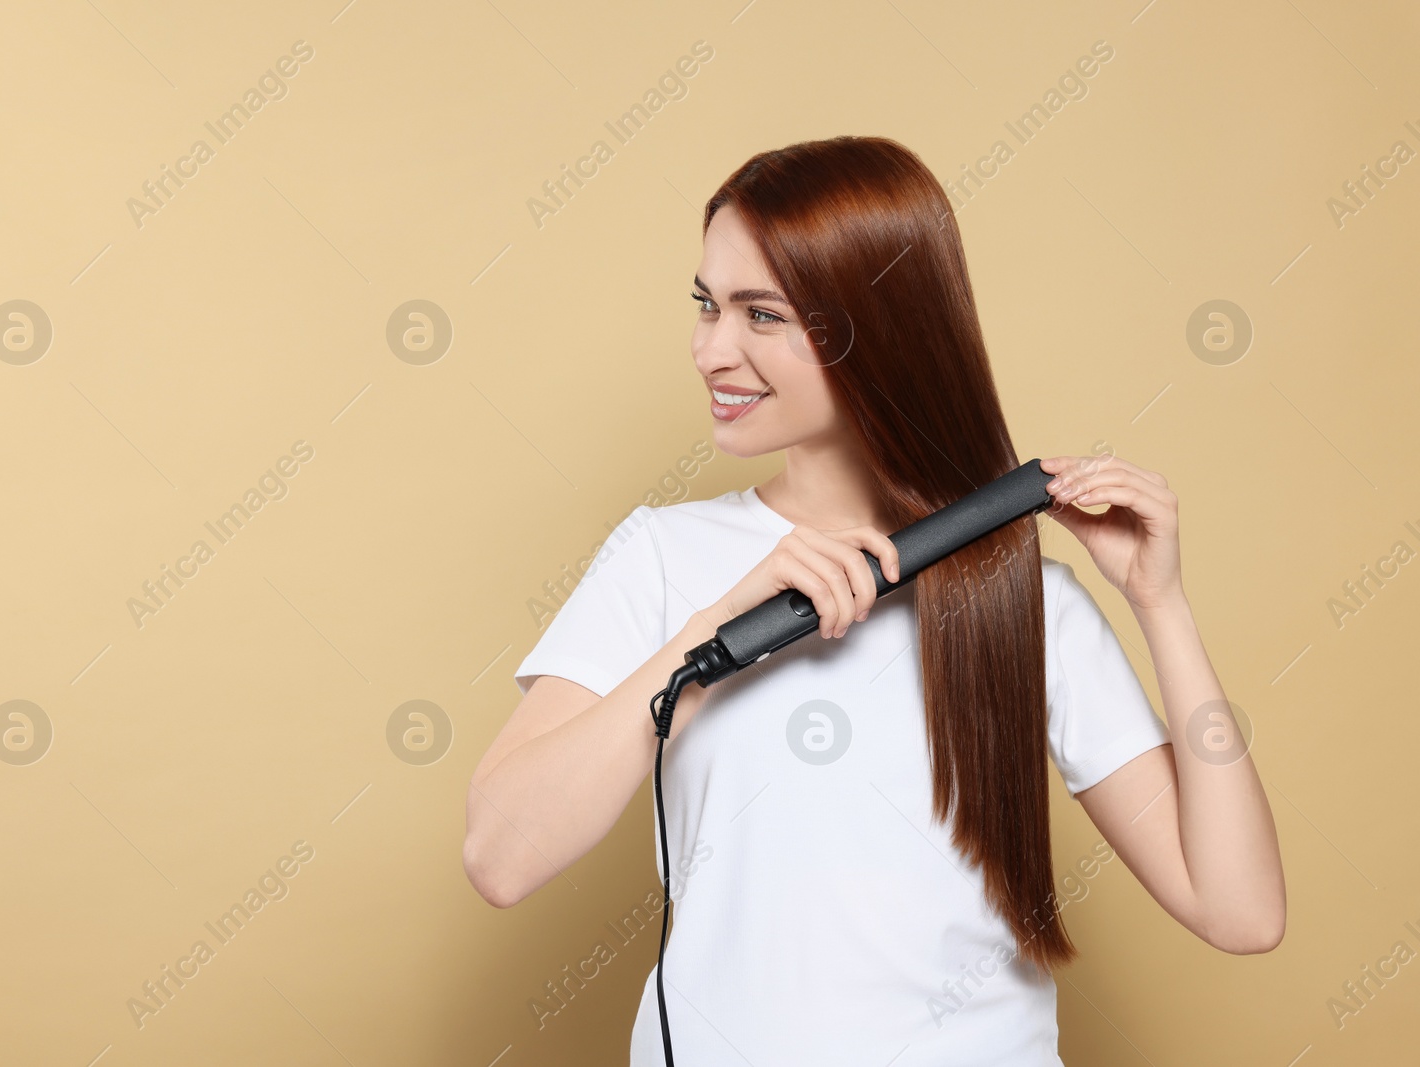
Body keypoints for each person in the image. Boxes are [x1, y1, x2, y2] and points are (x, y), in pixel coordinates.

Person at [463, 135, 1285, 1066]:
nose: (709, 349)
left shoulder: (1025, 603)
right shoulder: (661, 559)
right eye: (707, 305)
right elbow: (502, 854)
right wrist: (709, 639)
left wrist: (1160, 605)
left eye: (760, 314)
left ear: (877, 328)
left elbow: (1242, 911)